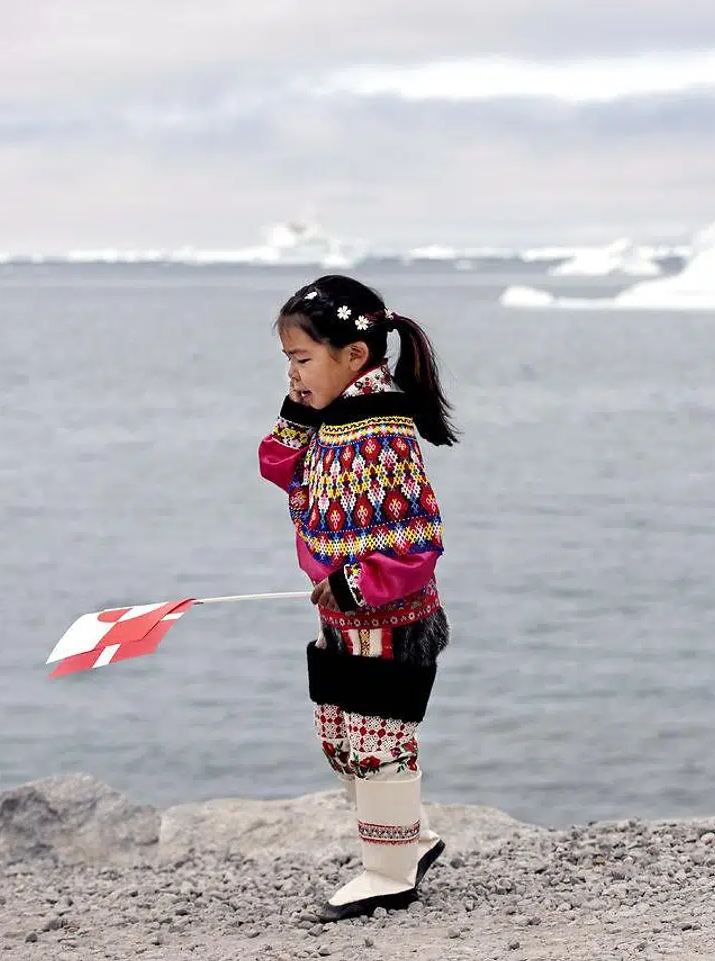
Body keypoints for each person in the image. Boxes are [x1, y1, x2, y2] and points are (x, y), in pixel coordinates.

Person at [257, 274, 458, 922]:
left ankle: (388, 872)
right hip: (341, 617)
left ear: (354, 356)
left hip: (390, 621)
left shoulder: (382, 434)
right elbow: (276, 466)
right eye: (288, 360)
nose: (293, 372)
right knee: (340, 739)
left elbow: (416, 542)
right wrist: (296, 413)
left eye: (302, 358)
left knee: (377, 744)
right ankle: (409, 839)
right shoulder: (330, 419)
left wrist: (353, 583)